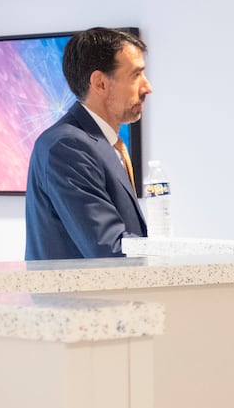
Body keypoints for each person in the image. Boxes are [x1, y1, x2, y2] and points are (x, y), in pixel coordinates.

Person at [25, 28, 151, 261]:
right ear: (100, 83)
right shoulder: (67, 146)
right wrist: (173, 251)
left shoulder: (101, 144)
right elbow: (108, 246)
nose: (147, 87)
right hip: (80, 297)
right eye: (136, 75)